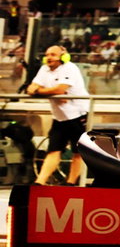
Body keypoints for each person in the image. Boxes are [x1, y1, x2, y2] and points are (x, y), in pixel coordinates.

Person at [26, 44, 88, 185]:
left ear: (63, 56)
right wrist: (49, 92)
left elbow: (60, 89)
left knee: (78, 152)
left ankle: (71, 182)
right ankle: (39, 182)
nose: (49, 57)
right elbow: (31, 88)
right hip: (59, 117)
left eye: (53, 54)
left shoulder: (70, 68)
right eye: (47, 55)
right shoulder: (44, 69)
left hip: (78, 114)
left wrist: (41, 91)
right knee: (53, 149)